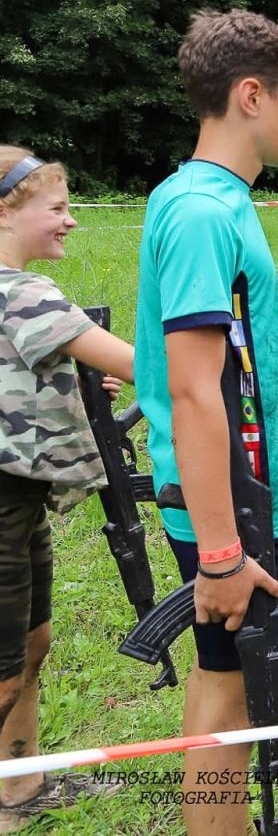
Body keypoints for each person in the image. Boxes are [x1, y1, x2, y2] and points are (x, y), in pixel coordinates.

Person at [133, 10, 278, 835]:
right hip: (230, 514)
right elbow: (196, 392)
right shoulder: (205, 213)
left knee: (234, 687)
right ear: (252, 95)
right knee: (223, 692)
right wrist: (219, 556)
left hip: (252, 499)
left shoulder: (210, 201)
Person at [0, 147, 131, 829]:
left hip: (20, 499)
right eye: (56, 208)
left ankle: (19, 789)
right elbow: (141, 367)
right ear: (6, 213)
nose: (70, 221)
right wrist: (214, 362)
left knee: (32, 643)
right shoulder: (22, 290)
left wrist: (80, 383)